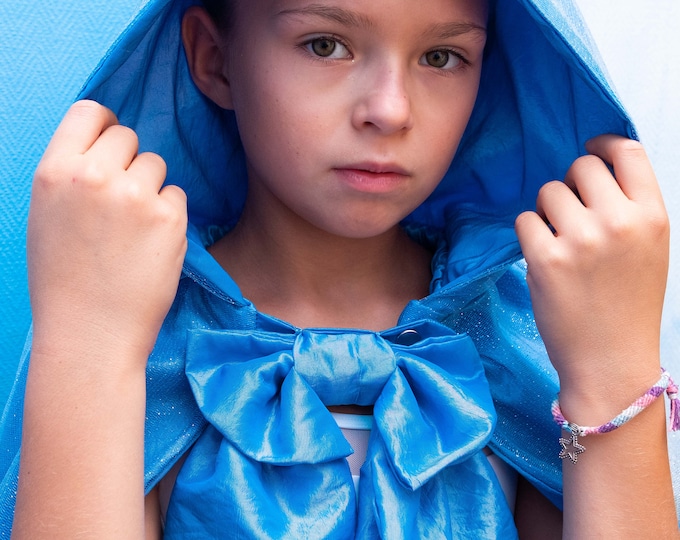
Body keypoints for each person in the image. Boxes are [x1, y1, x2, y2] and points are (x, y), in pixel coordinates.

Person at [1, 0, 678, 537]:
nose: (390, 110)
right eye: (326, 44)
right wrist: (88, 340)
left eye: (442, 56)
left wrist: (614, 367)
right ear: (216, 59)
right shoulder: (123, 322)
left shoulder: (533, 337)